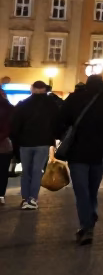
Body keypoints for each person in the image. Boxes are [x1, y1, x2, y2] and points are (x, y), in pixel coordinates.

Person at [57, 73, 103, 244]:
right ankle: (89, 217)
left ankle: (87, 225)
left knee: (81, 190)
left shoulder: (74, 98)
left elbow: (61, 121)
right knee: (93, 189)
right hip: (101, 152)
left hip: (78, 152)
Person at [9, 80, 61, 209]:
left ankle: (25, 198)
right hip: (43, 142)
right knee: (37, 171)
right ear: (45, 89)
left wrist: (16, 140)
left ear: (32, 89)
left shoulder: (23, 104)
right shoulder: (52, 105)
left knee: (26, 171)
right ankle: (33, 199)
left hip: (25, 143)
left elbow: (14, 125)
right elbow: (58, 123)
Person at [0, 87, 13, 206]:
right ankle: (1, 195)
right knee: (3, 172)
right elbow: (10, 127)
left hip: (4, 144)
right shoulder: (8, 107)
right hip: (4, 146)